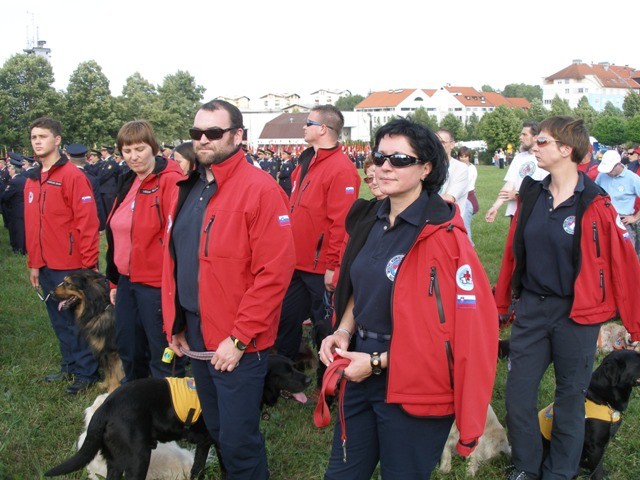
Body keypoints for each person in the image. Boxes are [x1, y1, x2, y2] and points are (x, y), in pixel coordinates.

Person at [319, 118, 498, 479]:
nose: (384, 167)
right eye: (379, 156)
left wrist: (377, 362)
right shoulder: (371, 218)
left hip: (416, 387)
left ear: (426, 168)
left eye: (399, 159)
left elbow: (464, 333)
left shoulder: (446, 237)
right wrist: (342, 329)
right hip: (358, 371)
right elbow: (361, 288)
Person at [494, 116, 640, 480]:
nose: (533, 146)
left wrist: (636, 324)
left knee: (570, 399)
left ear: (566, 149)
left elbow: (625, 264)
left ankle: (560, 472)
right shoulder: (530, 192)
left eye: (541, 142)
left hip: (578, 315)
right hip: (531, 309)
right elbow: (513, 253)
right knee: (518, 397)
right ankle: (527, 467)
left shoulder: (597, 202)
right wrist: (501, 305)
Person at [162, 100, 295, 479]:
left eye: (214, 133)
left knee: (238, 439)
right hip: (196, 326)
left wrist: (238, 339)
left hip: (238, 338)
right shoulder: (186, 187)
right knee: (218, 428)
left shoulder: (260, 189)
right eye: (196, 133)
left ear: (238, 136)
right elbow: (175, 259)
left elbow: (274, 272)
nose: (203, 140)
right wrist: (176, 323)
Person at [275, 105, 361, 388]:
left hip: (320, 267)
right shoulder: (307, 161)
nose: (303, 127)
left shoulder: (341, 169)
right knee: (285, 320)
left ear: (323, 129)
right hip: (296, 262)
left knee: (325, 328)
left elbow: (341, 224)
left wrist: (333, 267)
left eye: (308, 122)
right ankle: (284, 378)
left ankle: (331, 384)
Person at [24, 117, 100, 395]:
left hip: (70, 266)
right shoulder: (33, 179)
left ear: (57, 140)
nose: (37, 141)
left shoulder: (72, 176)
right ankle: (70, 365)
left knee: (76, 320)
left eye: (43, 136)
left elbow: (88, 224)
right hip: (44, 265)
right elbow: (33, 228)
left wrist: (88, 268)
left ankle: (87, 372)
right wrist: (34, 264)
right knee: (58, 319)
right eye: (33, 137)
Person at [105, 120, 185, 383]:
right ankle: (137, 401)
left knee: (162, 352)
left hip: (156, 283)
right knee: (129, 347)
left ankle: (171, 407)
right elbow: (117, 234)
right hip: (128, 280)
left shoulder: (170, 180)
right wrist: (115, 280)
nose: (133, 156)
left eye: (139, 149)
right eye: (127, 151)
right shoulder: (128, 180)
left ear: (153, 147)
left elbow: (179, 235)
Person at [485, 121, 548, 223]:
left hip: (534, 213)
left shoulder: (544, 158)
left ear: (536, 137)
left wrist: (518, 194)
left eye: (524, 134)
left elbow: (544, 188)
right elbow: (509, 185)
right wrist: (495, 207)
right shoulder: (519, 158)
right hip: (515, 213)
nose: (520, 137)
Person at [595, 149, 640, 258]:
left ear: (618, 164)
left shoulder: (633, 178)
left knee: (627, 255)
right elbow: (594, 194)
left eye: (610, 169)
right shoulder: (601, 176)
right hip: (604, 220)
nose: (607, 172)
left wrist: (634, 217)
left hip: (623, 221)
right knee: (605, 254)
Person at [436, 129, 468, 213]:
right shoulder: (427, 167)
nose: (438, 145)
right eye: (435, 142)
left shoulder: (461, 168)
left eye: (442, 142)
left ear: (452, 144)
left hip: (449, 222)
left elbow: (449, 198)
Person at [1, 154, 27, 254]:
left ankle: (19, 250)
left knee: (17, 230)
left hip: (15, 209)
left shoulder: (14, 182)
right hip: (23, 208)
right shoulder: (24, 179)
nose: (9, 170)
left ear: (14, 170)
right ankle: (23, 247)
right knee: (22, 229)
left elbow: (5, 196)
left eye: (10, 168)